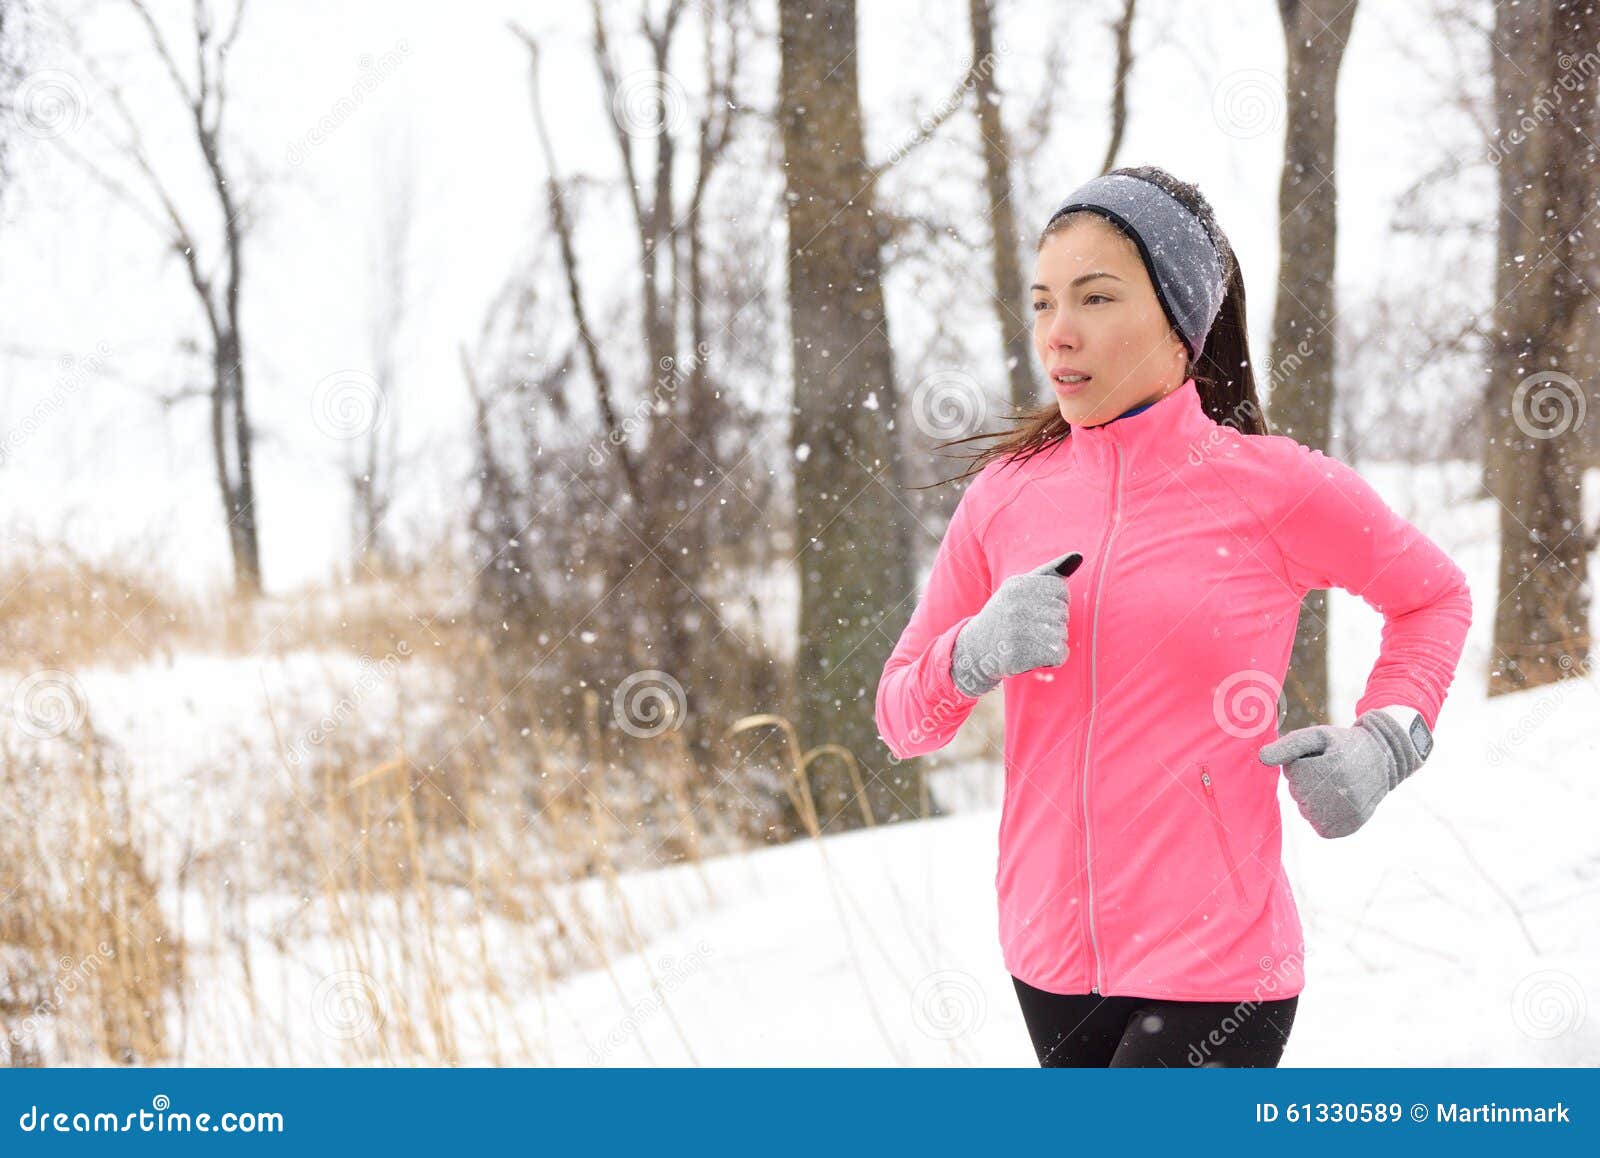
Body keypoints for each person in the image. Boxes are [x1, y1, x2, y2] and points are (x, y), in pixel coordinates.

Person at [873, 166, 1473, 1067]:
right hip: (1047, 957)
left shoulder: (1273, 487)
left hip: (1218, 964)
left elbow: (1434, 597)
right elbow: (900, 718)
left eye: (1096, 297)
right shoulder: (1005, 498)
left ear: (1180, 320)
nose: (1058, 333)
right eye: (1042, 304)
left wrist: (1388, 736)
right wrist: (972, 652)